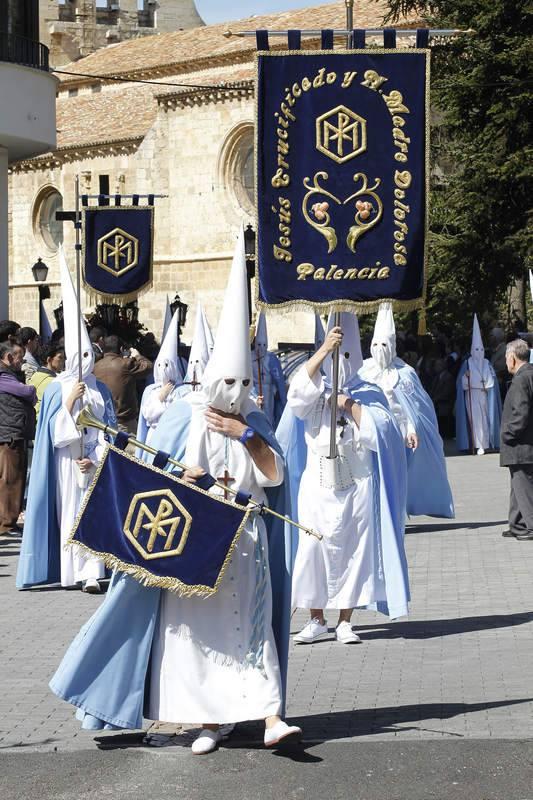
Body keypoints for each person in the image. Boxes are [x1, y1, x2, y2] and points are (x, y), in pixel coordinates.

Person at [49, 228, 299, 754]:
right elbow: (160, 480)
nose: (235, 395)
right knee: (198, 639)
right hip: (195, 546)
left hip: (246, 541)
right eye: (226, 386)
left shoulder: (254, 420)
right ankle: (207, 719)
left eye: (242, 386)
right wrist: (185, 477)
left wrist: (246, 435)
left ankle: (270, 714)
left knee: (251, 633)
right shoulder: (183, 420)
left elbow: (274, 476)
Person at [277, 311, 410, 645]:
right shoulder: (313, 387)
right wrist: (323, 351)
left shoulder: (369, 390)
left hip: (357, 482)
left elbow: (382, 430)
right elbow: (296, 399)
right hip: (318, 483)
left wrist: (349, 405)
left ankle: (346, 620)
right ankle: (316, 618)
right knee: (312, 550)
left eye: (345, 354)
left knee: (354, 551)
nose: (341, 362)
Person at [16, 247, 116, 592]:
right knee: (72, 514)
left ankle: (94, 571)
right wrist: (70, 405)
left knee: (95, 512)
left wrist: (98, 452)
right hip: (67, 461)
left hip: (94, 459)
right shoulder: (59, 389)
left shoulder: (99, 388)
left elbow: (108, 426)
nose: (87, 361)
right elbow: (56, 433)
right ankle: (74, 571)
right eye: (81, 355)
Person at [360, 303, 454, 519]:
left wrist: (411, 429)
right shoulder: (364, 370)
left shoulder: (406, 373)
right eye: (376, 344)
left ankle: (398, 514)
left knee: (397, 475)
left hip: (398, 433)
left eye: (384, 344)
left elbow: (413, 407)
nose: (379, 349)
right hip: (370, 432)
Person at [0, 342, 36, 534]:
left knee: (12, 479)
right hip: (10, 435)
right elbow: (27, 391)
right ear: (8, 357)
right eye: (18, 356)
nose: (21, 360)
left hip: (11, 433)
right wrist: (29, 389)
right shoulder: (3, 375)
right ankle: (7, 524)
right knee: (11, 480)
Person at [500, 339, 533, 540]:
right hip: (526, 443)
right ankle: (517, 524)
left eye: (506, 358)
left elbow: (521, 412)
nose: (505, 362)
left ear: (512, 358)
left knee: (524, 485)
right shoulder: (529, 374)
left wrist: (508, 433)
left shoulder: (521, 379)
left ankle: (530, 525)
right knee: (518, 484)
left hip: (520, 444)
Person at [456, 314, 502, 455]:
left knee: (486, 418)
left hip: (485, 394)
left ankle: (487, 442)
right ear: (472, 350)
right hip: (472, 394)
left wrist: (490, 381)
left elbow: (492, 379)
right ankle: (477, 444)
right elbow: (461, 383)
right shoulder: (467, 363)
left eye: (481, 349)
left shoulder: (487, 363)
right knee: (475, 420)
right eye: (476, 350)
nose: (479, 352)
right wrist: (466, 377)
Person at [93, 335, 151, 434]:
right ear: (121, 349)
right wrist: (137, 355)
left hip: (102, 422)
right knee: (128, 449)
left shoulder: (95, 367)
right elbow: (148, 366)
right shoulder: (126, 364)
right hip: (124, 423)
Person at [252, 312, 287, 429]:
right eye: (259, 344)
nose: (261, 347)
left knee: (268, 417)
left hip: (268, 392)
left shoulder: (271, 358)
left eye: (264, 344)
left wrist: (282, 398)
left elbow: (279, 380)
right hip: (255, 391)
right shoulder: (249, 357)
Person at [29, 343, 65, 418]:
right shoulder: (54, 382)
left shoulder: (35, 375)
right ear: (49, 360)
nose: (63, 361)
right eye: (60, 357)